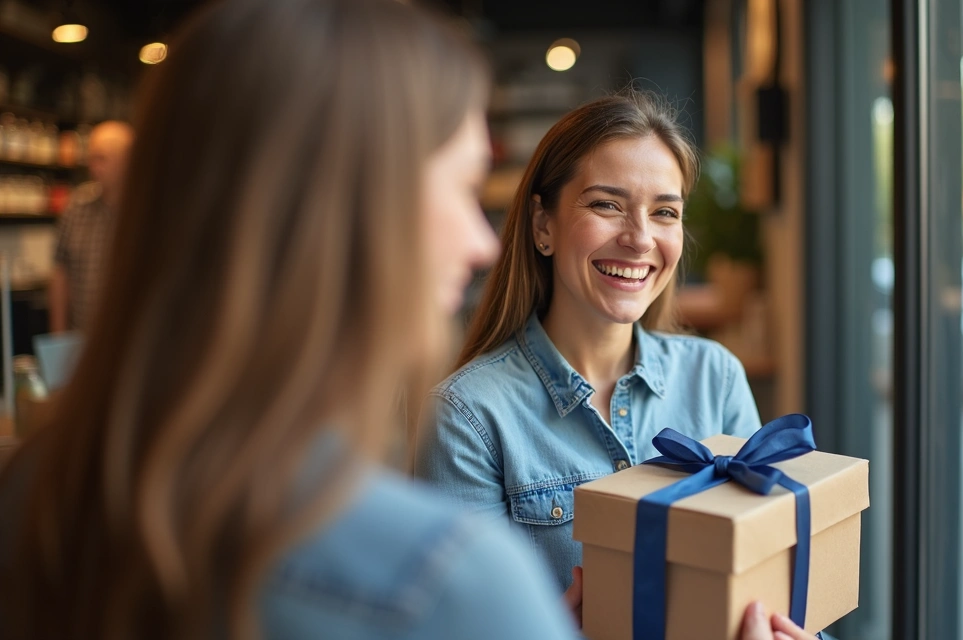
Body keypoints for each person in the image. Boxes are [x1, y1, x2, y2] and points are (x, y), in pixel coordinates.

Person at [0, 0, 574, 638]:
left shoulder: (31, 495)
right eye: (466, 186)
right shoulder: (450, 586)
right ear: (349, 216)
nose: (483, 243)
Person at [416, 90, 780, 622]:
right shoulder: (467, 416)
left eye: (664, 212)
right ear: (543, 226)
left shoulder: (715, 377)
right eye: (606, 205)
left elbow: (767, 573)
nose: (639, 239)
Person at [49, 120, 134, 333]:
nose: (93, 167)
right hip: (82, 338)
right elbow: (60, 273)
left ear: (127, 161)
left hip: (131, 341)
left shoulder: (147, 213)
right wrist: (58, 335)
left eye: (102, 158)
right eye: (91, 158)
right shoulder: (77, 206)